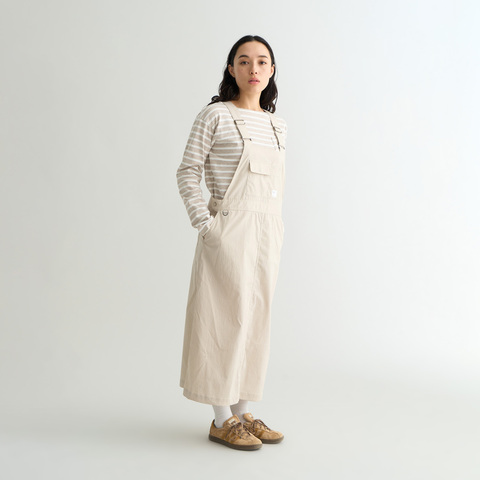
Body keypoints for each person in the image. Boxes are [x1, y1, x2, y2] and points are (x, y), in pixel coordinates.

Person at [176, 35, 287, 451]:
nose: (253, 68)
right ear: (231, 69)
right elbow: (188, 171)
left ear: (271, 70)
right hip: (228, 227)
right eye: (243, 61)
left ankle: (243, 412)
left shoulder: (277, 125)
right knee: (222, 317)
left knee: (256, 318)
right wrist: (206, 225)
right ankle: (221, 418)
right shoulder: (215, 115)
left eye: (261, 61)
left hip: (267, 229)